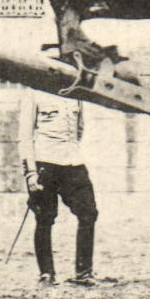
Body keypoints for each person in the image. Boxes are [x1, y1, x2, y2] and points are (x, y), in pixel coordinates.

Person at [18, 87, 98, 286]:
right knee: (45, 217)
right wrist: (30, 171)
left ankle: (84, 273)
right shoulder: (34, 92)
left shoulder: (75, 92)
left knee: (88, 212)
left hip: (72, 161)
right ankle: (46, 274)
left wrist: (72, 150)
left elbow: (79, 129)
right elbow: (25, 136)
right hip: (45, 162)